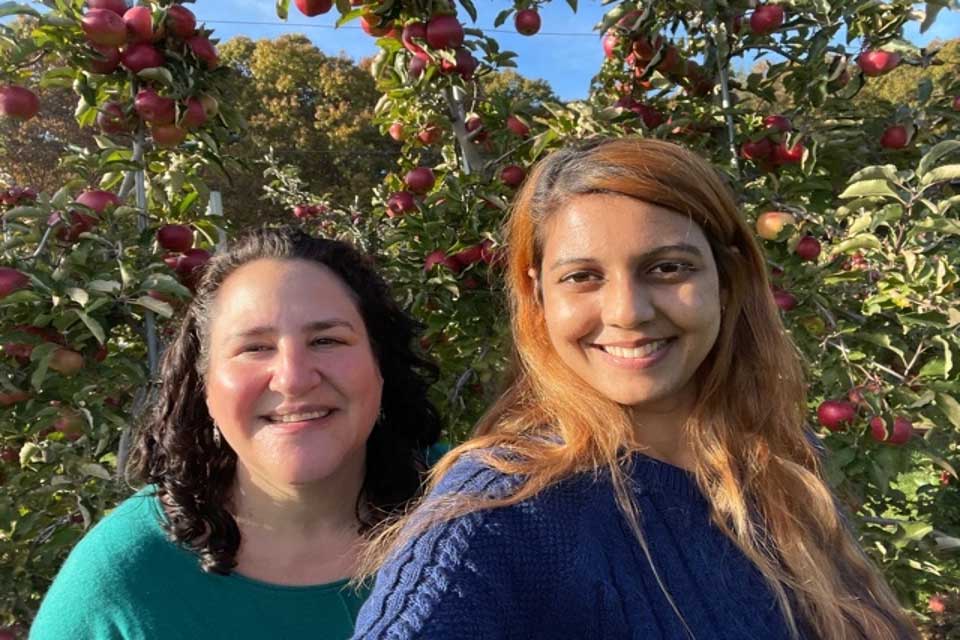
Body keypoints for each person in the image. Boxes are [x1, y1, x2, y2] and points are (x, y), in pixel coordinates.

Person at [352, 138, 918, 640]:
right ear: (538, 294)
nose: (627, 312)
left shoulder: (783, 457)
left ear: (727, 279)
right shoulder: (501, 507)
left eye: (668, 268)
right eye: (582, 277)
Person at [30, 227, 441, 639]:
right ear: (204, 384)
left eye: (326, 340)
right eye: (255, 348)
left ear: (380, 364)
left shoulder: (482, 508)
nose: (293, 379)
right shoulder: (121, 579)